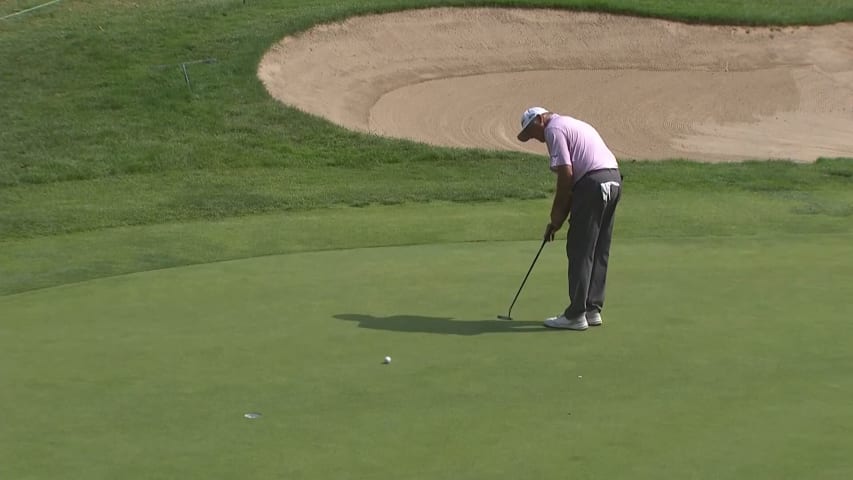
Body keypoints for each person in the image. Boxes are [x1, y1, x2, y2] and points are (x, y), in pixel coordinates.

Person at [517, 107, 622, 330]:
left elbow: (566, 175)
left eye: (532, 131)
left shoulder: (553, 129)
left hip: (593, 182)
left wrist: (555, 217)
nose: (535, 138)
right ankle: (592, 309)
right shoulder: (571, 124)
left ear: (539, 119)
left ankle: (576, 314)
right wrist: (558, 221)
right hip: (613, 180)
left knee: (580, 249)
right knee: (598, 248)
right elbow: (574, 187)